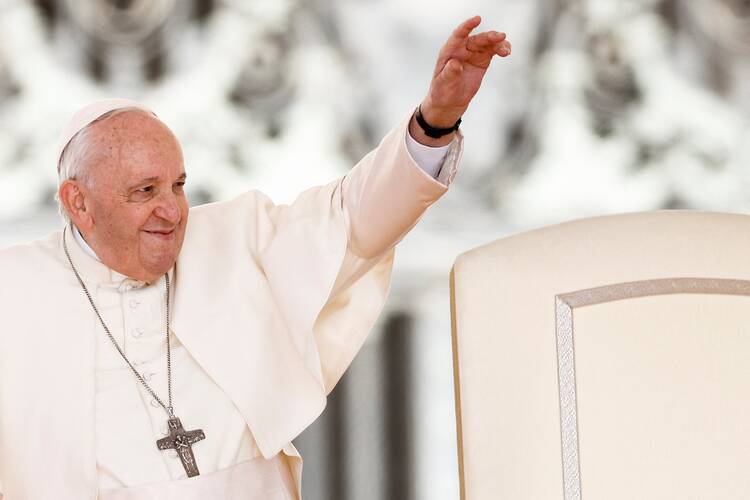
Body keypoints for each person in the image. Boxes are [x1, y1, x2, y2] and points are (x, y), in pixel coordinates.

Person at [0, 16, 510, 500]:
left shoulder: (236, 239)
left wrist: (435, 121)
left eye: (178, 186)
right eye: (144, 191)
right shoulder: (15, 290)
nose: (171, 211)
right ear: (78, 203)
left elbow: (352, 220)